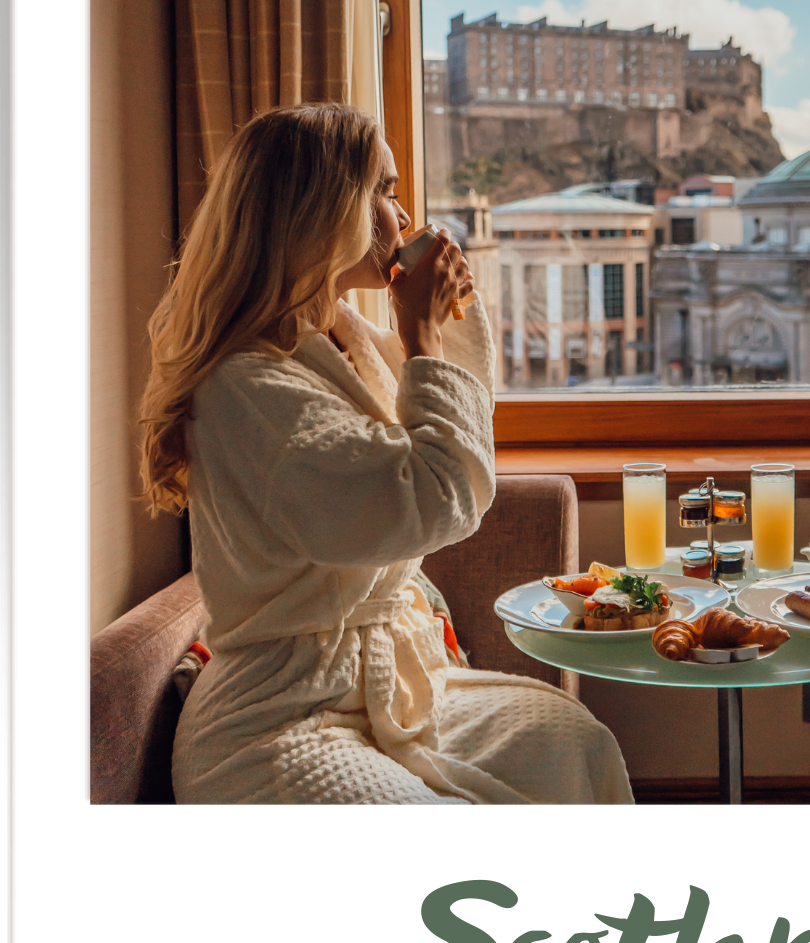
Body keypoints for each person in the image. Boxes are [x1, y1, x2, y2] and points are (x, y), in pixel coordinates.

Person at [138, 102, 632, 805]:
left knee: (571, 742)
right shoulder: (245, 384)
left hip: (393, 685)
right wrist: (426, 330)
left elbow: (453, 414)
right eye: (383, 191)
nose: (401, 216)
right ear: (320, 209)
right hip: (284, 716)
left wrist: (440, 322)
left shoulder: (337, 336)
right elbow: (434, 497)